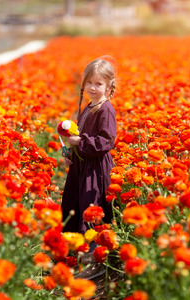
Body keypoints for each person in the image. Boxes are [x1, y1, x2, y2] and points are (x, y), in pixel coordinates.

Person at [61, 56, 117, 280]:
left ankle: (95, 261)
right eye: (89, 83)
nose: (93, 88)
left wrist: (80, 143)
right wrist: (71, 152)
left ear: (109, 86)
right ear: (83, 84)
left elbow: (105, 142)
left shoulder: (105, 110)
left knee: (91, 208)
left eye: (98, 83)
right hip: (81, 166)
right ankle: (79, 254)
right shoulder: (88, 107)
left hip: (95, 169)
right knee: (75, 204)